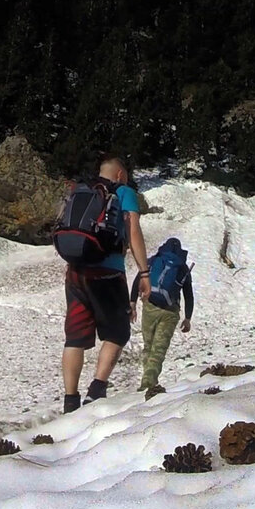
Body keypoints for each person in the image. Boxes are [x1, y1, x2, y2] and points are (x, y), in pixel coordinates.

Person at [61, 156, 150, 413]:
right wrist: (144, 273)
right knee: (117, 332)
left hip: (75, 273)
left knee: (75, 338)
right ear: (121, 174)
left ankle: (70, 401)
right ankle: (96, 391)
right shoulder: (124, 192)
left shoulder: (80, 190)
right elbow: (133, 232)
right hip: (108, 275)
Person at [131, 238, 193, 392]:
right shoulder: (182, 267)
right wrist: (187, 318)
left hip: (150, 306)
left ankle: (147, 381)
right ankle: (148, 383)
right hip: (170, 312)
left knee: (148, 346)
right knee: (158, 350)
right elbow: (188, 295)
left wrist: (132, 303)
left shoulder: (153, 260)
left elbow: (137, 280)